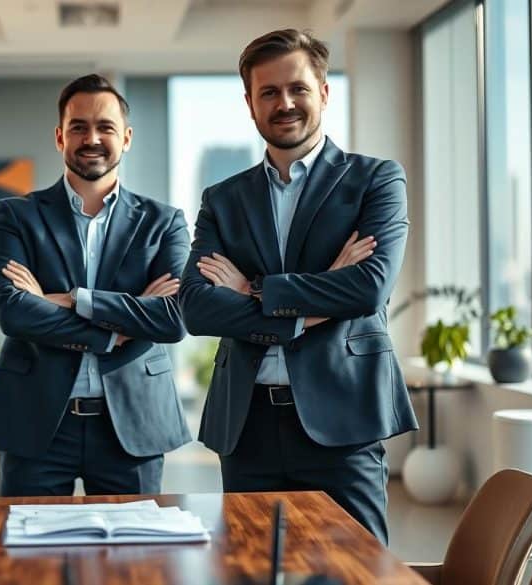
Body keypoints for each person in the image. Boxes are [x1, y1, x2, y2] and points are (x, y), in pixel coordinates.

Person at [179, 29, 418, 544]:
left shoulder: (376, 181)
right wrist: (319, 294)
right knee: (248, 569)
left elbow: (367, 289)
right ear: (250, 103)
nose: (284, 103)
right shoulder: (223, 198)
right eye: (268, 92)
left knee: (357, 571)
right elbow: (197, 308)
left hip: (344, 419)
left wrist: (253, 288)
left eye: (298, 89)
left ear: (324, 93)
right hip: (246, 425)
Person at [0, 74, 192, 496]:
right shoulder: (16, 216)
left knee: (135, 557)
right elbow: (15, 313)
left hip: (133, 423)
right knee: (27, 555)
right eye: (78, 127)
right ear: (60, 137)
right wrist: (120, 328)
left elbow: (173, 318)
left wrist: (75, 299)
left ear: (126, 138)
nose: (91, 137)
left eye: (105, 127)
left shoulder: (164, 222)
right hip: (35, 421)